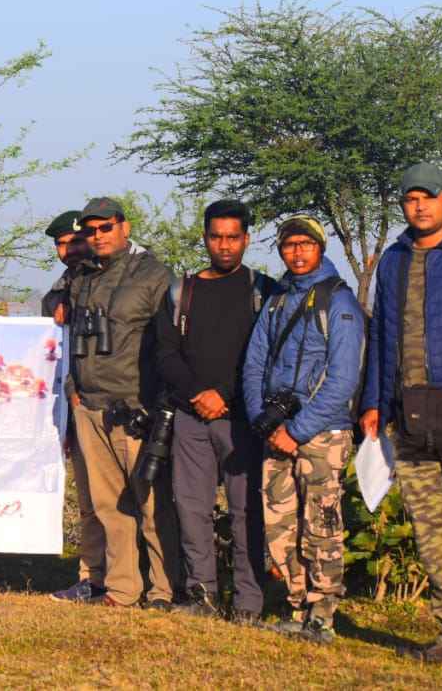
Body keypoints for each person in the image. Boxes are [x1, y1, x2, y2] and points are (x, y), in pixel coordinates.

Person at [242, 214, 364, 643]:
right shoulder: (276, 300)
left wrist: (296, 430)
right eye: (289, 245)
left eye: (305, 244)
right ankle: (297, 605)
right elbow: (255, 362)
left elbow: (343, 380)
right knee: (280, 523)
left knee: (321, 525)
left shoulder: (339, 302)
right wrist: (264, 419)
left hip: (323, 434)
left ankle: (323, 616)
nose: (297, 252)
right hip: (277, 431)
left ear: (320, 247)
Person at [154, 200, 273, 623]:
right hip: (190, 417)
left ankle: (247, 602)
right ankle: (201, 594)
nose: (224, 246)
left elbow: (265, 356)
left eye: (232, 237)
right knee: (190, 508)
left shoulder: (264, 291)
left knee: (247, 513)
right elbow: (165, 355)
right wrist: (199, 394)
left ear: (246, 238)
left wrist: (224, 396)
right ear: (204, 237)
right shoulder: (180, 291)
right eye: (216, 237)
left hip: (242, 419)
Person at [66, 196, 179, 609]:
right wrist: (72, 387)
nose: (97, 236)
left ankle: (165, 590)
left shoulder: (155, 275)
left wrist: (160, 406)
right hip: (91, 407)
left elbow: (170, 345)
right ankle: (122, 588)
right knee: (109, 506)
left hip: (136, 409)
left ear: (124, 227)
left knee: (152, 505)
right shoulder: (83, 277)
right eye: (90, 231)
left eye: (105, 228)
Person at [360, 162, 442, 664]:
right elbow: (379, 336)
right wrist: (373, 401)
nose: (420, 206)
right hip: (410, 415)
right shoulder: (393, 260)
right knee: (429, 532)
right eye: (411, 199)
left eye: (429, 197)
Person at [41, 209, 106, 603]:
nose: (68, 251)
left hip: (119, 404)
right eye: (61, 245)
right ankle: (92, 575)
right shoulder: (66, 283)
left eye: (74, 242)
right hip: (77, 403)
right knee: (89, 501)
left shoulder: (112, 276)